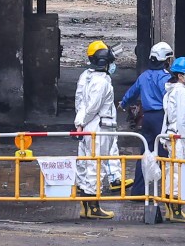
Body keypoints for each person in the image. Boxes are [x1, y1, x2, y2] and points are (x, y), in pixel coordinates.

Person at [74, 40, 121, 219]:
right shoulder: (101, 82)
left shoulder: (88, 77)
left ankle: (86, 206)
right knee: (96, 166)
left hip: (90, 125)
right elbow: (92, 107)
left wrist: (79, 122)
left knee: (87, 165)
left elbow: (81, 103)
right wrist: (81, 122)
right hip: (99, 126)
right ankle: (93, 207)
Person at [119, 41, 173, 196]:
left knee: (145, 154)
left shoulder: (144, 76)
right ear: (165, 60)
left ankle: (138, 191)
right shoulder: (165, 78)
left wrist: (123, 104)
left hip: (147, 118)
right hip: (161, 118)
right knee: (165, 154)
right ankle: (167, 193)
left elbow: (131, 93)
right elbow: (170, 100)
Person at [161, 56, 185, 222]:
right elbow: (183, 118)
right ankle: (176, 211)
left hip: (171, 134)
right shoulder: (181, 92)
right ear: (180, 76)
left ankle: (170, 210)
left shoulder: (171, 90)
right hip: (179, 137)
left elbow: (168, 116)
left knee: (171, 171)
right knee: (179, 173)